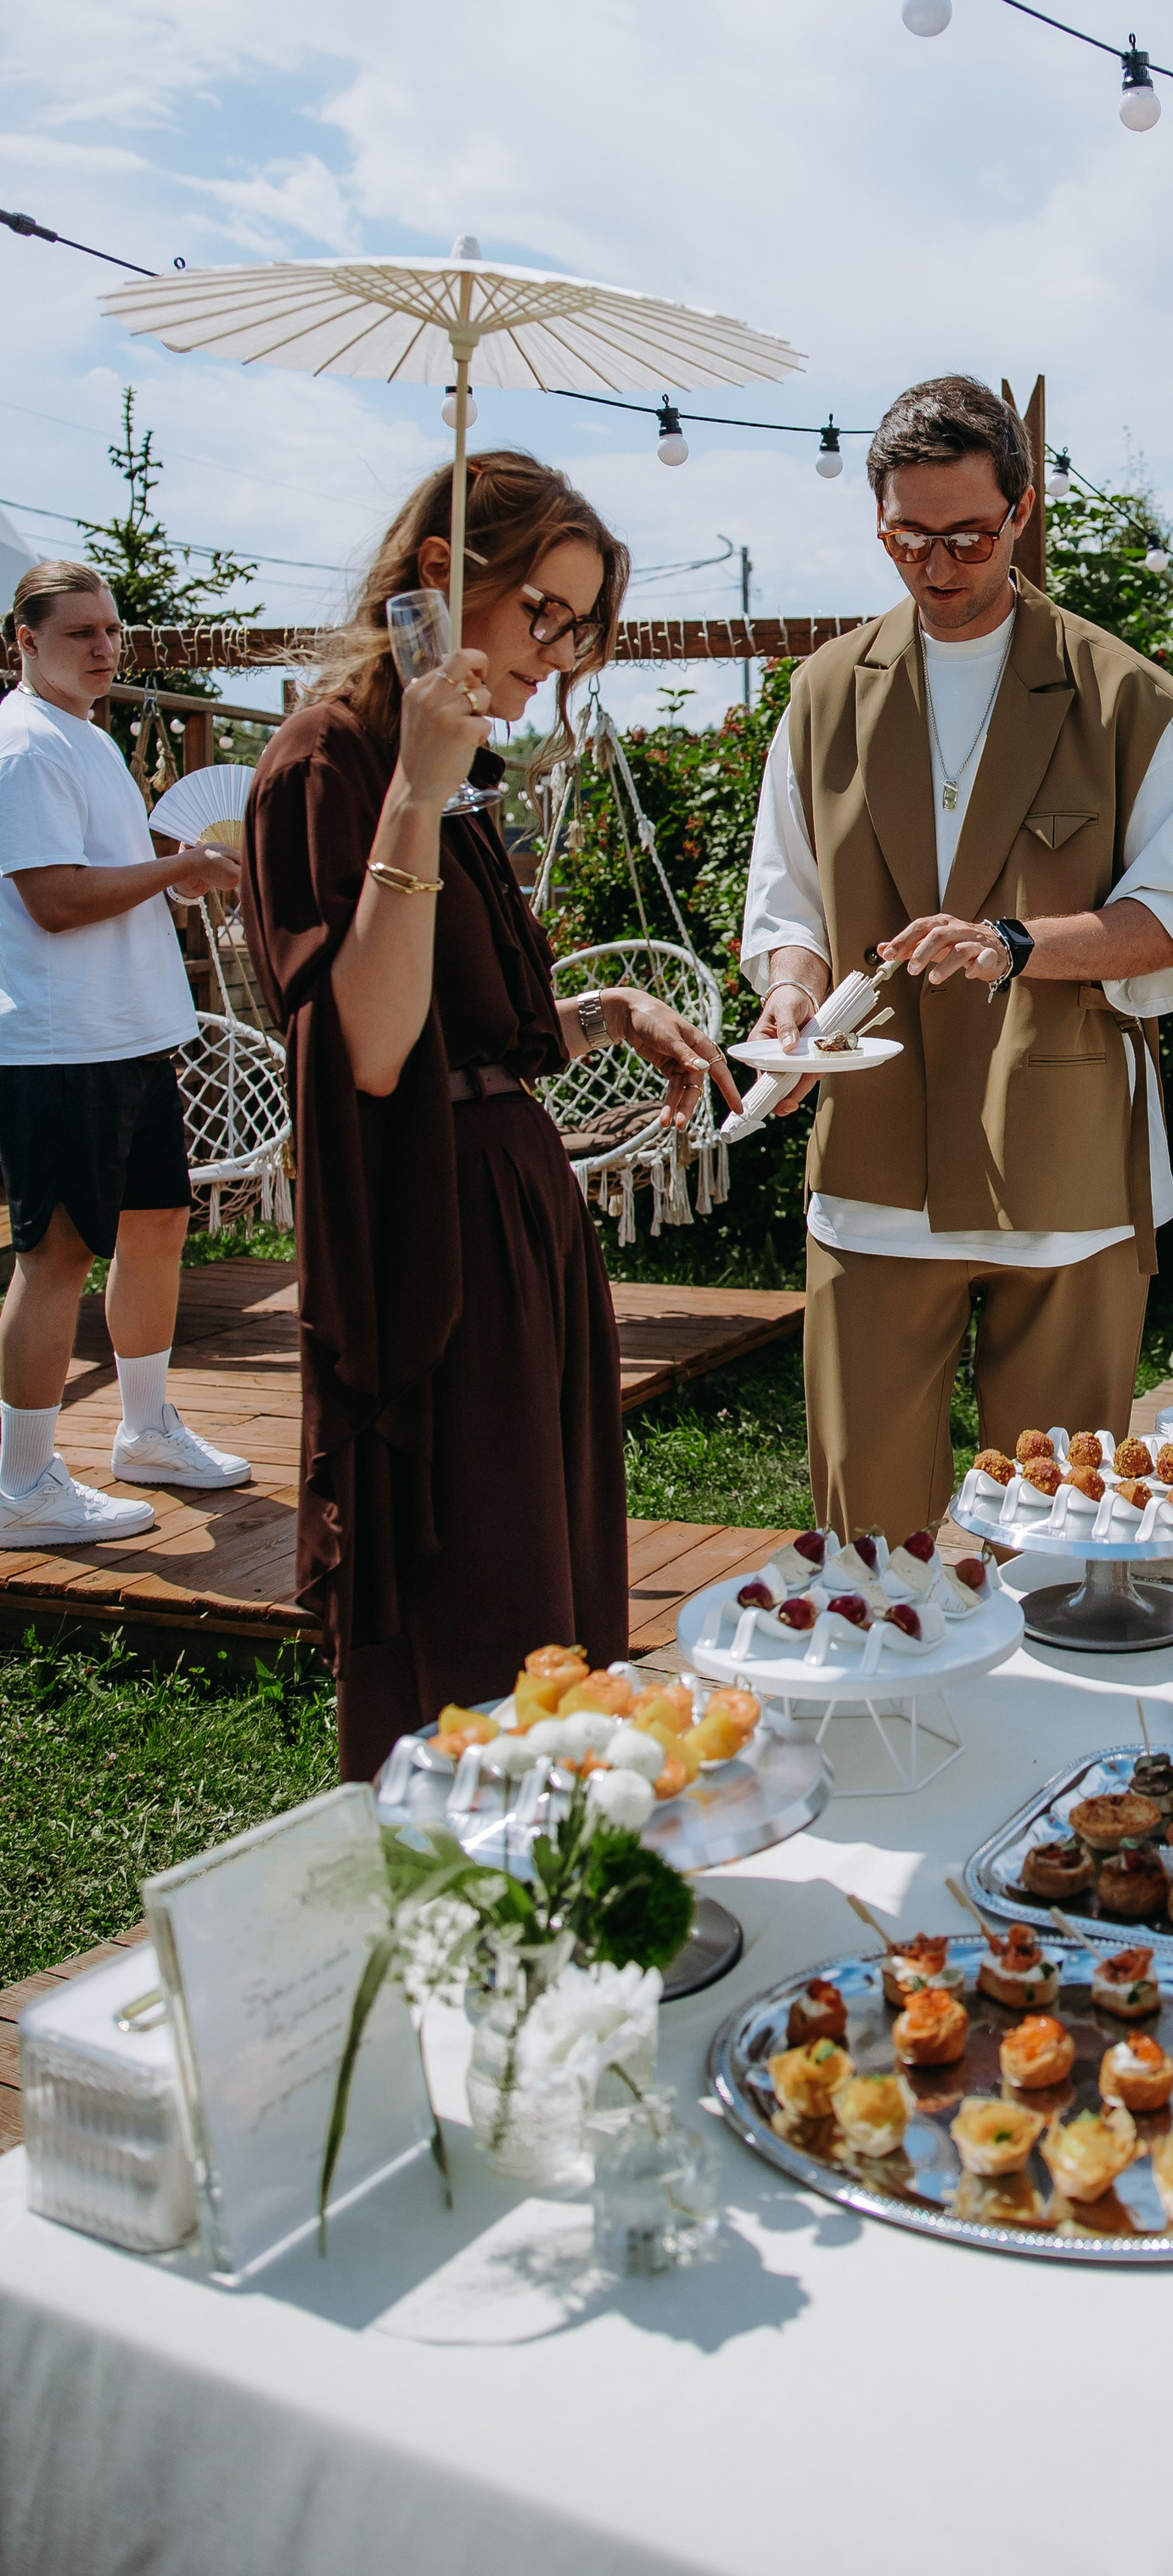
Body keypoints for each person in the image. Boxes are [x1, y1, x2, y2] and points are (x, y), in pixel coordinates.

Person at [242, 451, 737, 1779]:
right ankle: (465, 1885)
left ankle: (567, 1851)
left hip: (519, 1223)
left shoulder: (456, 773)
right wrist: (416, 784)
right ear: (440, 581)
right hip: (430, 1243)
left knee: (557, 1578)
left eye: (578, 629)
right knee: (478, 1596)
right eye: (543, 614)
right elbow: (373, 1044)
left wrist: (609, 1009)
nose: (558, 653)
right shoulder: (329, 764)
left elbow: (479, 1037)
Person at [739, 373, 1173, 1540]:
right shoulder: (818, 697)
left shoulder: (1127, 702)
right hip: (873, 1170)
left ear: (1021, 512)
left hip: (1066, 1170)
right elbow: (788, 908)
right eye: (909, 538)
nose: (937, 566)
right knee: (867, 1538)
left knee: (1057, 1538)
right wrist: (793, 1005)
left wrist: (1014, 941)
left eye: (964, 536)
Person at [0, 561, 256, 1546]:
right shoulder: (26, 744)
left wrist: (173, 878)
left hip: (136, 1032)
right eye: (81, 634)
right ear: (24, 640)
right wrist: (180, 865)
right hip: (61, 1044)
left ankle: (146, 1429)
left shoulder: (89, 736)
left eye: (111, 631)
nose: (105, 648)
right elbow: (56, 899)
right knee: (54, 1256)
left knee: (156, 1228)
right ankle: (21, 1480)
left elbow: (111, 875)